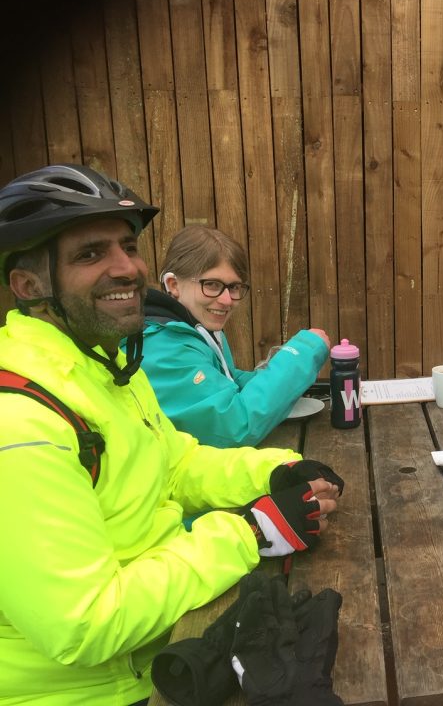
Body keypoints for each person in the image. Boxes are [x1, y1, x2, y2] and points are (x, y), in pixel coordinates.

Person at [0, 164, 343, 705]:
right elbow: (85, 624)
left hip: (172, 640)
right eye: (90, 254)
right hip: (105, 691)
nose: (126, 268)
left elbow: (176, 462)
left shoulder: (111, 364)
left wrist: (276, 469)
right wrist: (251, 532)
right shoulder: (21, 426)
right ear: (29, 286)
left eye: (128, 246)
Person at [140, 225, 330, 447]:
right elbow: (235, 427)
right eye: (211, 285)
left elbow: (227, 380)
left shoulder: (191, 329)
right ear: (173, 285)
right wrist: (302, 354)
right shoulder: (160, 349)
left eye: (234, 287)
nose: (227, 300)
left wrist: (288, 378)